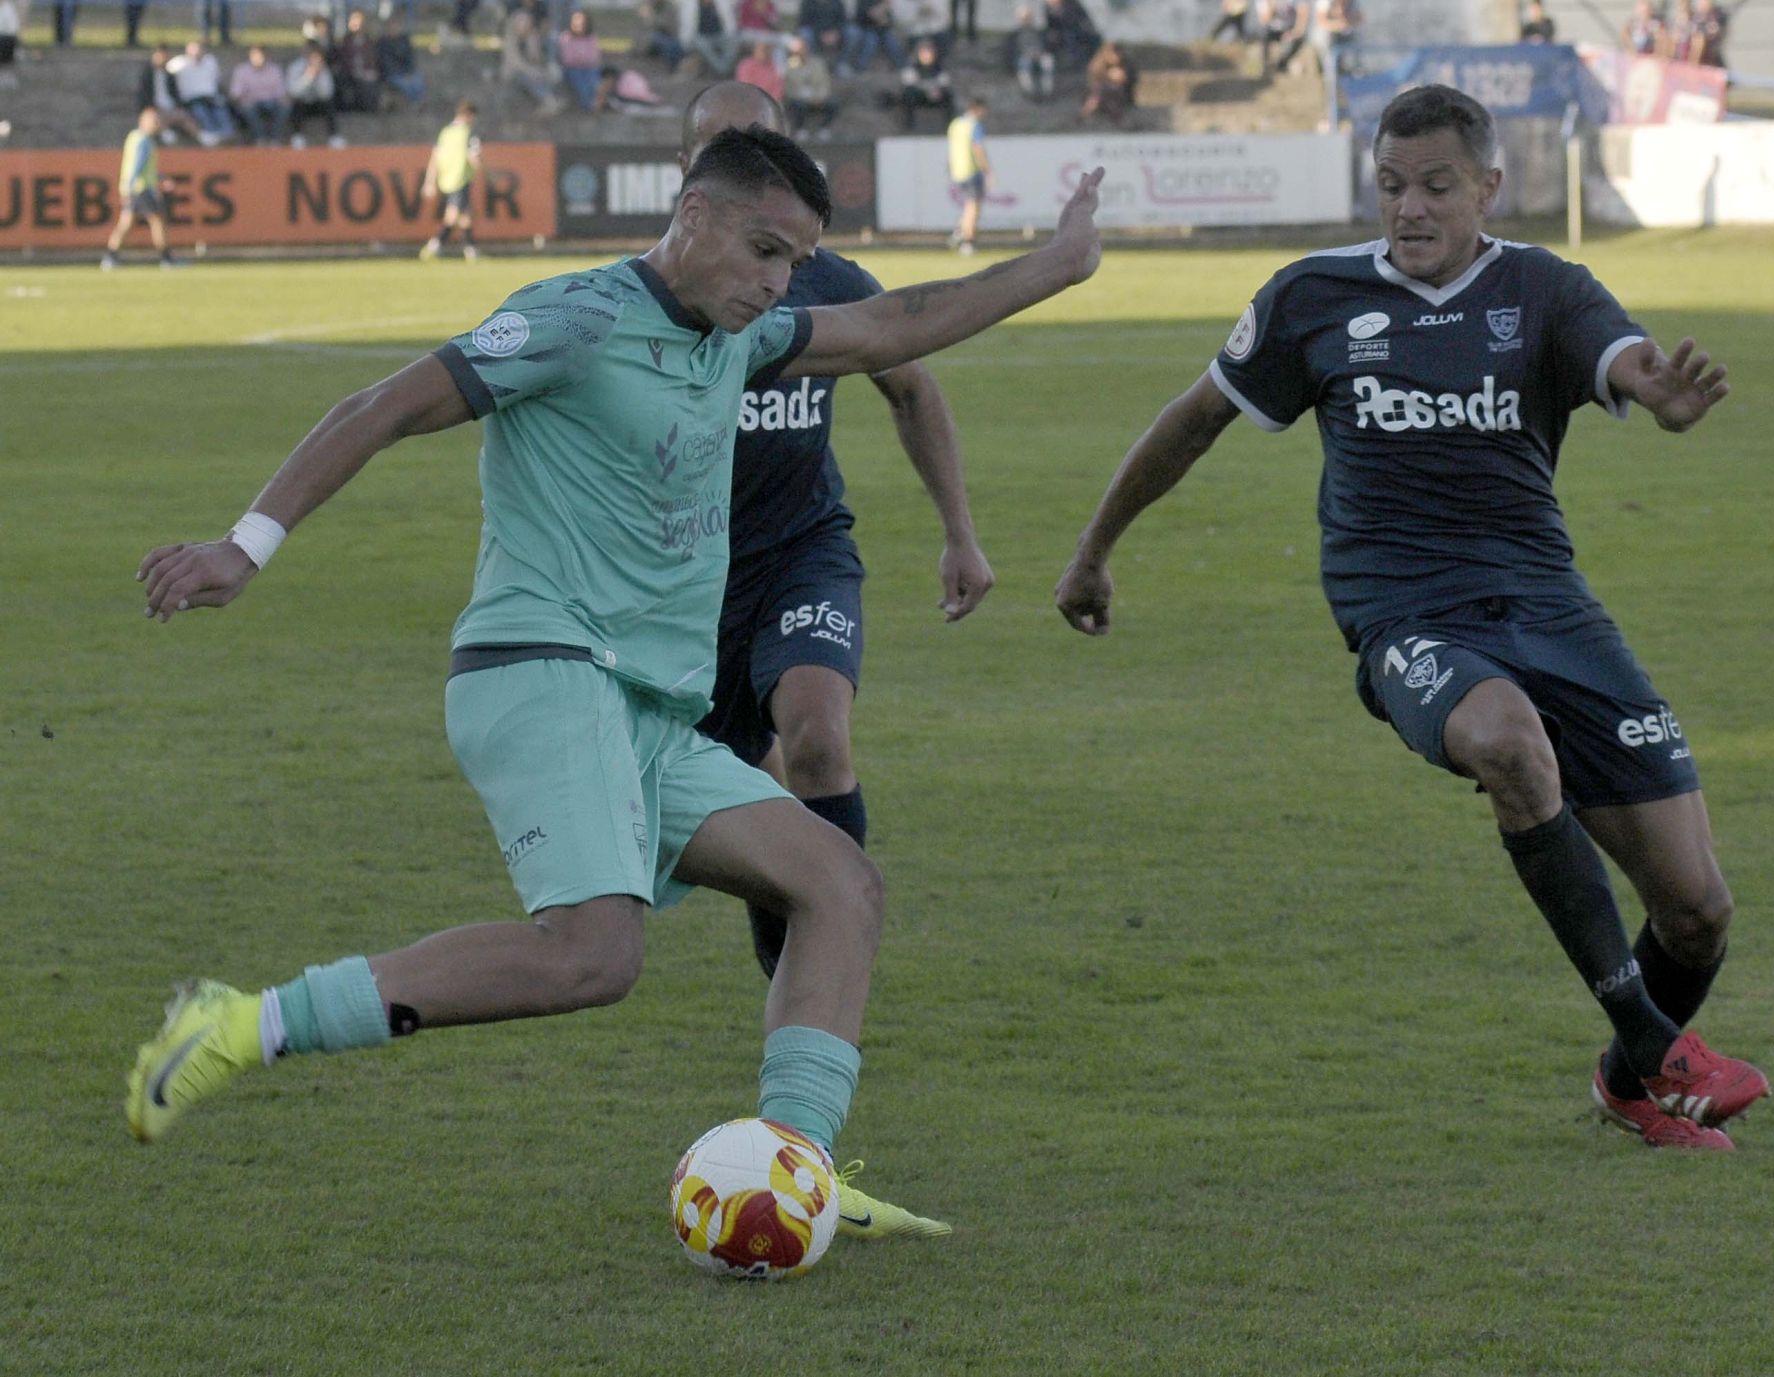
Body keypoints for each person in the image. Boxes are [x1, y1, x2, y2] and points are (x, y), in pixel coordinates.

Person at [126, 123, 1105, 1245]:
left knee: (841, 888)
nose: (779, 283)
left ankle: (795, 1171)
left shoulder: (737, 338)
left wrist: (1058, 262)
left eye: (795, 262)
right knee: (594, 954)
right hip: (541, 672)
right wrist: (243, 548)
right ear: (693, 217)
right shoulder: (577, 318)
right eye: (764, 250)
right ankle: (244, 1023)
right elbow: (383, 407)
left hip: (647, 708)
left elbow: (895, 324)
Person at [1054, 84, 1768, 1152]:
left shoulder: (1544, 290)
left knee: (1697, 909)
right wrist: (1092, 553)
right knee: (1508, 747)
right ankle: (1659, 1046)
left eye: (1437, 186)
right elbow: (1194, 421)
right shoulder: (1314, 297)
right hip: (1408, 617)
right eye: (1392, 185)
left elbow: (1624, 359)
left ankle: (1629, 1081)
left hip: (1550, 608)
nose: (1411, 209)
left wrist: (1656, 391)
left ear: (1489, 184)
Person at [678, 82, 990, 981]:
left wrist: (959, 532)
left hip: (804, 553)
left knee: (816, 737)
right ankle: (793, 932)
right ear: (687, 175)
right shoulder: (644, 300)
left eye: (768, 148)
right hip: (688, 578)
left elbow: (914, 387)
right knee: (746, 790)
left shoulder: (830, 283)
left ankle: (811, 973)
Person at [101, 108, 179, 270]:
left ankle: (110, 257)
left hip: (133, 188)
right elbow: (137, 166)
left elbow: (143, 168)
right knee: (157, 222)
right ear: (143, 121)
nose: (157, 124)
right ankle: (167, 259)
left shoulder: (134, 138)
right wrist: (130, 188)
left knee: (126, 224)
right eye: (154, 121)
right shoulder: (143, 140)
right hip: (141, 189)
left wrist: (161, 178)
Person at [420, 98, 482, 260]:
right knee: (453, 215)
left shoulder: (445, 133)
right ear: (469, 115)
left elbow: (435, 157)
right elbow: (473, 157)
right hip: (460, 178)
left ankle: (471, 250)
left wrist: (430, 181)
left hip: (446, 178)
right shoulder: (468, 133)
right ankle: (434, 246)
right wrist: (488, 174)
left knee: (464, 215)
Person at [168, 39, 236, 145]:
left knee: (221, 109)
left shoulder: (210, 61)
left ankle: (228, 135)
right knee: (201, 111)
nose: (196, 53)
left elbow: (216, 80)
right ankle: (214, 137)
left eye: (199, 49)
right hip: (191, 99)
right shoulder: (179, 63)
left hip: (210, 97)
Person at [501, 0, 563, 113]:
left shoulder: (531, 37)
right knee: (528, 77)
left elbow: (535, 58)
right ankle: (548, 100)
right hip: (515, 72)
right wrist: (533, 71)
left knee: (549, 75)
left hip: (531, 69)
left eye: (527, 25)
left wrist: (539, 67)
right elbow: (516, 63)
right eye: (522, 25)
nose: (524, 28)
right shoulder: (511, 40)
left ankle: (552, 97)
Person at [946, 93, 988, 254]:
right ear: (977, 109)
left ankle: (960, 231)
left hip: (957, 170)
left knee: (968, 206)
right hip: (971, 170)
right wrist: (986, 169)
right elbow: (978, 148)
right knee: (973, 206)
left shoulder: (955, 124)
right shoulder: (974, 125)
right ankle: (967, 242)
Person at [286, 40, 344, 147]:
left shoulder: (324, 68)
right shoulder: (296, 67)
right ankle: (297, 135)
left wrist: (319, 75)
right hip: (302, 101)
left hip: (318, 102)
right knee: (296, 105)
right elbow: (293, 91)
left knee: (329, 105)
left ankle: (334, 136)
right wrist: (308, 77)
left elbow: (327, 93)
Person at [229, 44, 290, 143]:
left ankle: (275, 138)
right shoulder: (241, 70)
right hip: (250, 103)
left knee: (285, 106)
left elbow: (281, 92)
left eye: (260, 55)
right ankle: (260, 138)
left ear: (266, 56)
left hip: (271, 102)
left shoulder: (274, 70)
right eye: (254, 55)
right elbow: (236, 93)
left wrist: (284, 100)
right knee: (248, 107)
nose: (257, 58)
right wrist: (242, 99)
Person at [783, 36, 840, 137]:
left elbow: (825, 83)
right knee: (798, 105)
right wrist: (804, 98)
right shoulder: (789, 65)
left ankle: (824, 129)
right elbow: (788, 86)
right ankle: (801, 130)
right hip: (799, 98)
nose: (801, 51)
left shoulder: (817, 63)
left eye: (803, 48)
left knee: (834, 103)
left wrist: (820, 97)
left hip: (818, 97)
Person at [895, 35, 951, 130]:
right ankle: (908, 124)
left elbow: (944, 83)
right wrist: (925, 90)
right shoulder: (912, 68)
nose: (926, 56)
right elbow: (909, 84)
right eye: (924, 53)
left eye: (929, 53)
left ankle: (950, 125)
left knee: (948, 96)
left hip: (934, 96)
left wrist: (938, 91)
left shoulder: (938, 69)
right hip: (918, 97)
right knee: (909, 95)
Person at [377, 17, 426, 110]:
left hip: (406, 72)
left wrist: (409, 72)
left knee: (417, 82)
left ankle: (419, 102)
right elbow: (386, 63)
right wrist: (401, 74)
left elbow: (410, 59)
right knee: (406, 85)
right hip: (392, 74)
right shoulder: (383, 43)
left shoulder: (404, 41)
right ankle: (414, 103)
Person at [557, 8, 602, 110]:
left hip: (589, 68)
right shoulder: (566, 37)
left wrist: (581, 59)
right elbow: (567, 58)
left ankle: (598, 101)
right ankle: (588, 105)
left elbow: (594, 57)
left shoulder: (592, 38)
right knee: (581, 84)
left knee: (594, 83)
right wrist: (582, 59)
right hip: (572, 69)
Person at [1080, 40, 1135, 124]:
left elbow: (1128, 81)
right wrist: (1108, 76)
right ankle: (1084, 115)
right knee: (1100, 93)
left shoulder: (1125, 65)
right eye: (1114, 54)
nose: (1118, 57)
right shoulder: (1097, 66)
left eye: (1119, 54)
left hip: (1118, 95)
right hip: (1099, 94)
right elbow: (1093, 82)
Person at [847, 0, 904, 74]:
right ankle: (860, 68)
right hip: (866, 29)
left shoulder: (883, 2)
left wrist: (885, 20)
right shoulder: (863, 2)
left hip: (882, 30)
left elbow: (888, 20)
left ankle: (902, 67)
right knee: (871, 43)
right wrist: (883, 7)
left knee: (893, 42)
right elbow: (868, 15)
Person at [1259, 0, 1307, 74]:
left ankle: (1282, 63)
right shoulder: (1264, 2)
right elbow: (1265, 20)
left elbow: (1303, 11)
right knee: (1263, 34)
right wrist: (1272, 5)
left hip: (1288, 29)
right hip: (1272, 30)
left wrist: (1296, 31)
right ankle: (1265, 64)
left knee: (1300, 39)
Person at [692, 0, 734, 76]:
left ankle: (725, 68)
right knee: (703, 45)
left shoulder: (721, 4)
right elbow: (688, 28)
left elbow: (729, 24)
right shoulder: (692, 6)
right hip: (702, 36)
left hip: (719, 35)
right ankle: (722, 70)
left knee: (733, 41)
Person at [734, 36, 783, 100]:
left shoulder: (774, 67)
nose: (765, 52)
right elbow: (745, 86)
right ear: (755, 49)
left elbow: (778, 89)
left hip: (769, 102)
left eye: (768, 49)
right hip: (748, 100)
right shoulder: (746, 65)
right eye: (762, 49)